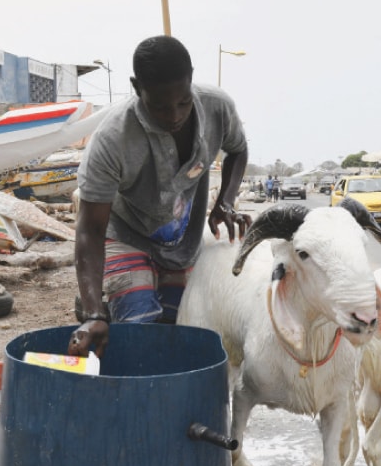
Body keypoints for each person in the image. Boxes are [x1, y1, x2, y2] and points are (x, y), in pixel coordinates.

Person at [68, 35, 252, 358]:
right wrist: (95, 312)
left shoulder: (217, 108)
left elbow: (238, 149)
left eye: (182, 102)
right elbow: (89, 230)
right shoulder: (113, 139)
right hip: (126, 236)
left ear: (191, 79)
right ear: (137, 88)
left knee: (179, 332)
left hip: (182, 243)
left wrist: (226, 200)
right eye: (160, 106)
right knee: (139, 330)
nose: (174, 116)